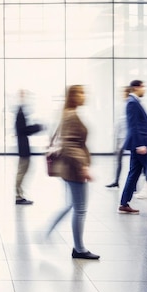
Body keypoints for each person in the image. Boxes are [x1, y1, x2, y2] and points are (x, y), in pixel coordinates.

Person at [46, 85, 99, 260]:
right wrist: (83, 166)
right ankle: (79, 248)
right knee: (80, 209)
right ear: (73, 96)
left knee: (71, 205)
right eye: (81, 92)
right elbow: (70, 145)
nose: (84, 95)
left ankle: (48, 230)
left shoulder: (68, 113)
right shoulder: (71, 115)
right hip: (74, 170)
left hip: (69, 169)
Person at [118, 80, 147, 214]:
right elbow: (134, 125)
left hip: (139, 145)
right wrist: (140, 144)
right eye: (143, 86)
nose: (145, 89)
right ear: (136, 87)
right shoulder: (132, 103)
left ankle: (124, 203)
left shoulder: (134, 102)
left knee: (133, 174)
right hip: (140, 145)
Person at [14, 89, 42, 205]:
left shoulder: (21, 111)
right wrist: (36, 127)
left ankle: (19, 194)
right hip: (23, 146)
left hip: (23, 145)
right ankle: (18, 196)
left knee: (23, 170)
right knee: (22, 170)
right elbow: (22, 130)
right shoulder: (20, 112)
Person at [106, 87, 130, 188]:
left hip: (127, 137)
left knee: (134, 163)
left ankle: (133, 185)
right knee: (118, 160)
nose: (122, 94)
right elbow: (118, 123)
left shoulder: (130, 105)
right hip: (120, 137)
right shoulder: (121, 106)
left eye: (123, 92)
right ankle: (116, 181)